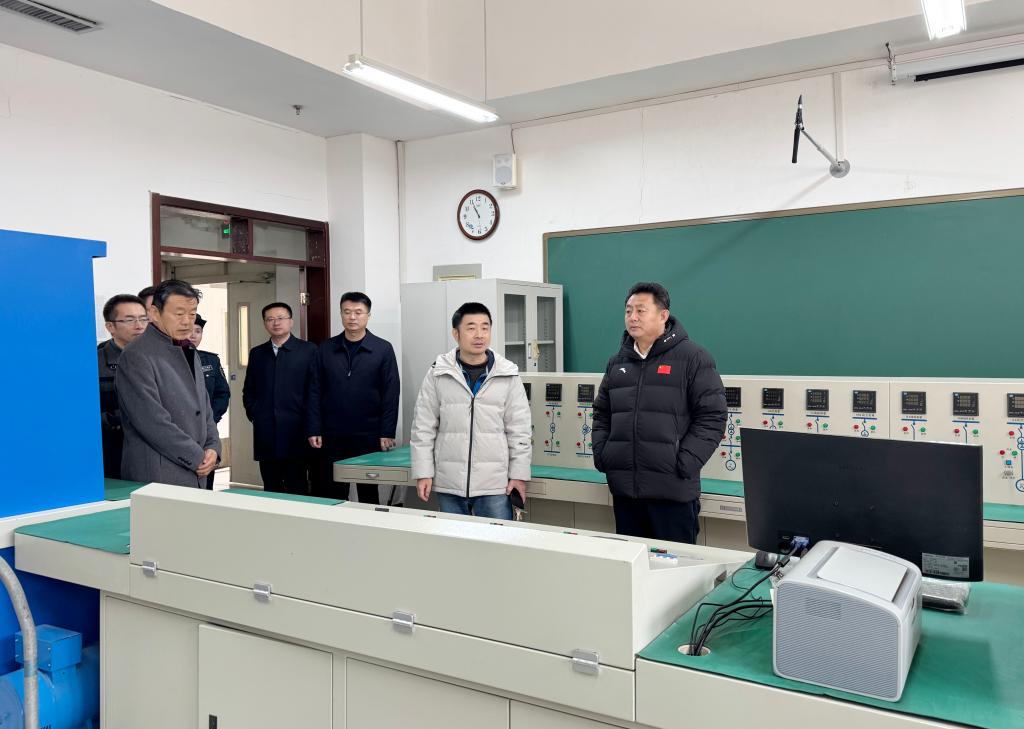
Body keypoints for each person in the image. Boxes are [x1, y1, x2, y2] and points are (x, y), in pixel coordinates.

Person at [591, 282, 726, 543]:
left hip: (672, 496)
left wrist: (684, 462)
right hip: (626, 494)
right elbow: (602, 413)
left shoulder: (694, 358)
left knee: (677, 565)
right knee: (633, 565)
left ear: (663, 315)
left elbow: (713, 416)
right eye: (628, 311)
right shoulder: (617, 363)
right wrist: (603, 454)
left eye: (641, 311)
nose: (632, 317)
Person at [410, 301, 531, 520]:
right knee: (453, 540)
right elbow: (423, 428)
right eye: (471, 328)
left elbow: (520, 431)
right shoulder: (438, 373)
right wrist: (423, 472)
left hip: (494, 485)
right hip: (450, 483)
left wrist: (519, 475)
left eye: (485, 328)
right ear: (456, 333)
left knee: (497, 540)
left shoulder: (508, 374)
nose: (479, 335)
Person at [116, 279, 221, 487]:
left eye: (192, 314)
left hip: (197, 469)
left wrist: (213, 447)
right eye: (179, 314)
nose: (187, 321)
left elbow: (204, 408)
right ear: (154, 313)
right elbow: (151, 422)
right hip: (160, 473)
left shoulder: (188, 349)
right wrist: (196, 456)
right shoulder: (136, 354)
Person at [308, 292, 399, 503]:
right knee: (332, 490)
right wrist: (314, 428)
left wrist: (387, 431)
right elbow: (314, 391)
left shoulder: (382, 349)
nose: (352, 317)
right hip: (331, 433)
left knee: (368, 491)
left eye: (358, 312)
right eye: (347, 312)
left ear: (368, 315)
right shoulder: (326, 348)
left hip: (369, 433)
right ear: (340, 314)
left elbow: (391, 393)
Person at [242, 302, 317, 494]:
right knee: (271, 486)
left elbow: (315, 391)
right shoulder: (257, 353)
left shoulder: (308, 350)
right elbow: (249, 390)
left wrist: (311, 424)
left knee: (297, 486)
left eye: (281, 318)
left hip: (297, 431)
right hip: (266, 431)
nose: (276, 323)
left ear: (291, 321)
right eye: (270, 319)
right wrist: (255, 413)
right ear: (265, 323)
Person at [98, 294, 148, 478]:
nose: (139, 325)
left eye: (143, 319)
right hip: (112, 450)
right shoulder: (94, 363)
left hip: (155, 452)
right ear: (110, 327)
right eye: (129, 320)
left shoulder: (164, 358)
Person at [188, 314, 230, 488]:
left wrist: (209, 420)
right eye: (189, 330)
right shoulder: (167, 361)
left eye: (198, 331)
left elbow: (223, 394)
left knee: (206, 481)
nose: (193, 335)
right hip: (182, 430)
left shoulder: (211, 360)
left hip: (207, 431)